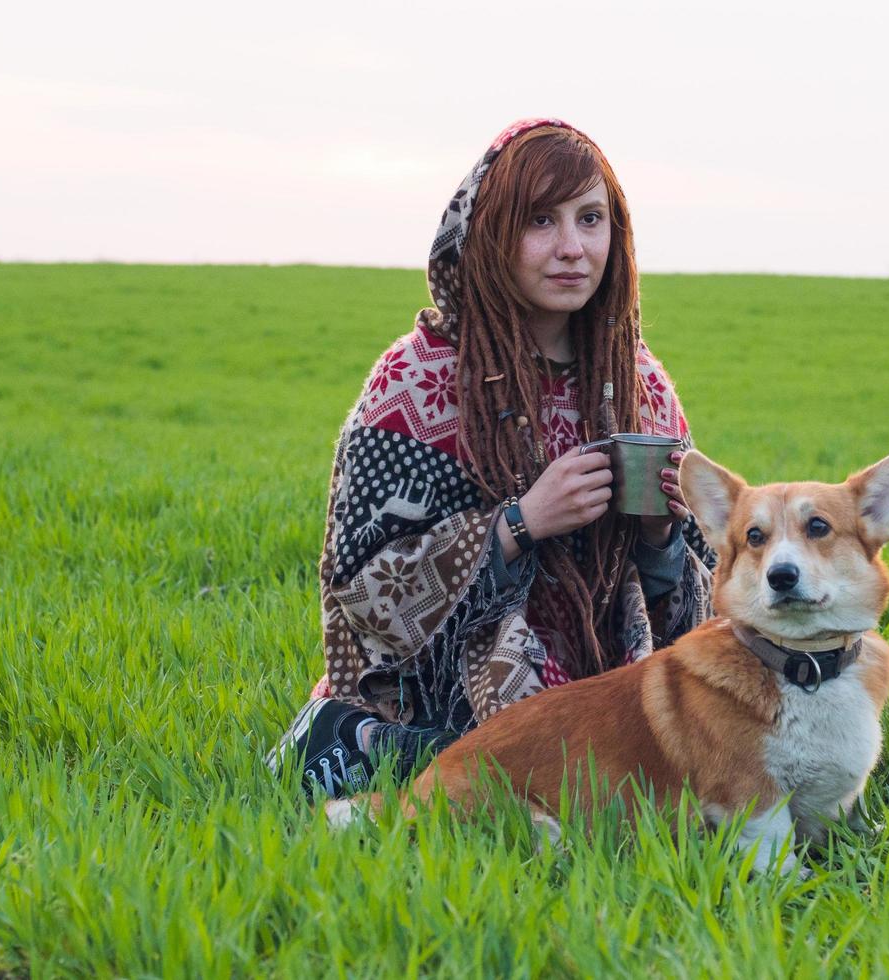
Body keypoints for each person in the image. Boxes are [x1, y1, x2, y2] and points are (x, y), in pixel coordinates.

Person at [267, 118, 717, 798]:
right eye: (541, 220)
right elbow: (360, 588)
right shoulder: (416, 378)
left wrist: (661, 540)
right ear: (489, 234)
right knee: (536, 788)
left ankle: (422, 761)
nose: (572, 248)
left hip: (608, 682)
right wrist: (519, 523)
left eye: (590, 219)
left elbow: (707, 605)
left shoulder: (639, 385)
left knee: (678, 772)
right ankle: (361, 738)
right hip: (450, 683)